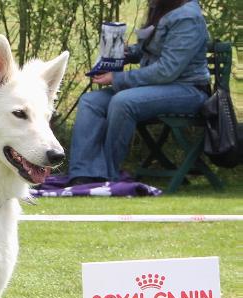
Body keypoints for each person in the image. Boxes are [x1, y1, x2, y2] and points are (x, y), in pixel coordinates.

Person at [68, 0, 210, 185]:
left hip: (188, 90)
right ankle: (83, 174)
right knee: (90, 101)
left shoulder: (188, 18)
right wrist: (126, 53)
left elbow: (167, 70)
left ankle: (108, 176)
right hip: (158, 87)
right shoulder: (164, 8)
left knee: (123, 102)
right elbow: (151, 51)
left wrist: (117, 78)